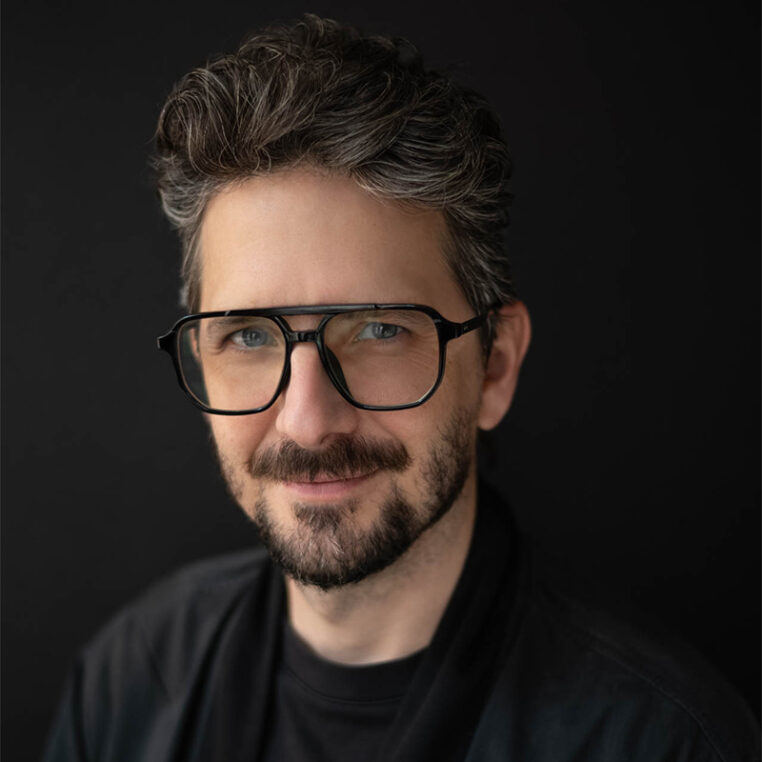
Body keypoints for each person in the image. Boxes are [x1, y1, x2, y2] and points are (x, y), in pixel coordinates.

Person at [43, 14, 759, 762]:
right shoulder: (128, 683)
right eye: (250, 336)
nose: (308, 422)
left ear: (495, 365)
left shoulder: (665, 741)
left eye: (380, 329)